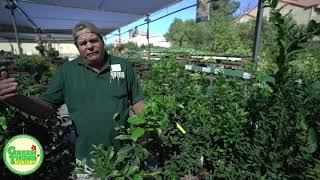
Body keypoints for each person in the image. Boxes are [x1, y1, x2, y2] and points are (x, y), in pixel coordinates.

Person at [0, 22, 144, 172]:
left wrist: (148, 126)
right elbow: (47, 108)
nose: (89, 46)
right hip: (88, 160)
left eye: (93, 41)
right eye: (83, 43)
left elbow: (137, 99)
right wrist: (15, 98)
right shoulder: (67, 71)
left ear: (102, 42)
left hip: (125, 156)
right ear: (78, 48)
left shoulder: (122, 65)